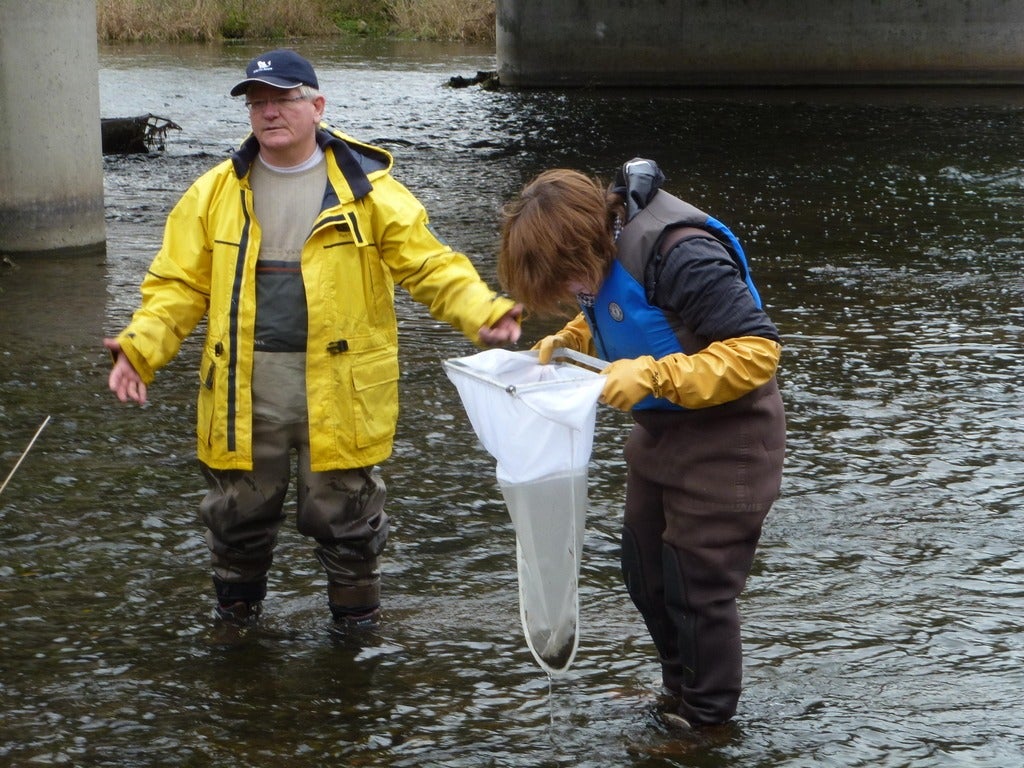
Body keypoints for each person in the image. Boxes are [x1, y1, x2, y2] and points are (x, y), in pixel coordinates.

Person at [104, 49, 521, 630]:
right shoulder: (213, 193)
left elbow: (430, 266)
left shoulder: (369, 191)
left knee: (346, 516)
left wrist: (481, 311)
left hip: (343, 387)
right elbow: (176, 286)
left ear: (317, 105)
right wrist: (139, 350)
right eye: (258, 103)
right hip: (244, 389)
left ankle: (355, 638)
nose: (269, 112)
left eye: (282, 99)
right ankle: (236, 625)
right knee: (237, 513)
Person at [497, 159, 785, 728]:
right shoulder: (599, 253)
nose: (565, 293)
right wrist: (571, 337)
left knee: (694, 586)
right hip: (661, 439)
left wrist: (654, 377)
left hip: (732, 439)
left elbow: (758, 350)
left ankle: (706, 725)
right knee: (644, 570)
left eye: (564, 282)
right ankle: (676, 693)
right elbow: (615, 313)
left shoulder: (682, 253)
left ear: (584, 244)